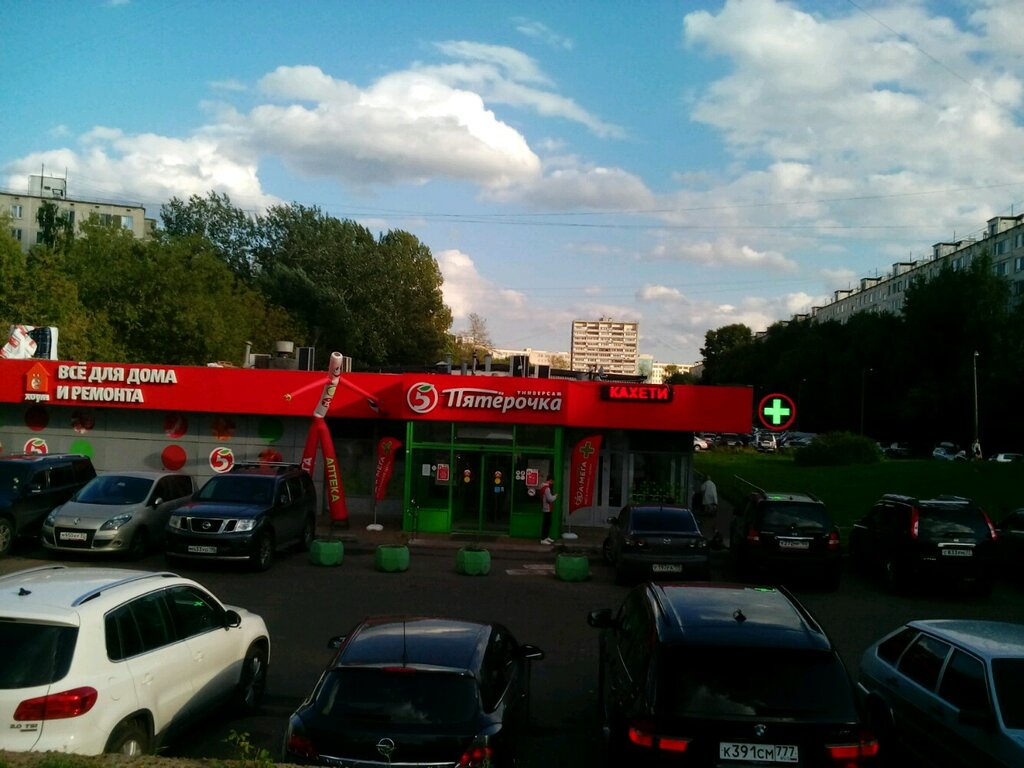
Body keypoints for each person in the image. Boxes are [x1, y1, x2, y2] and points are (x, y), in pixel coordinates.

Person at [539, 475, 558, 545]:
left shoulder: (542, 487)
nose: (553, 483)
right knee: (546, 524)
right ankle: (543, 539)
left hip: (545, 507)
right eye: (552, 481)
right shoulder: (547, 488)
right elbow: (550, 499)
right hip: (547, 508)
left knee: (547, 523)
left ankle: (546, 537)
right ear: (550, 480)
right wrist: (555, 496)